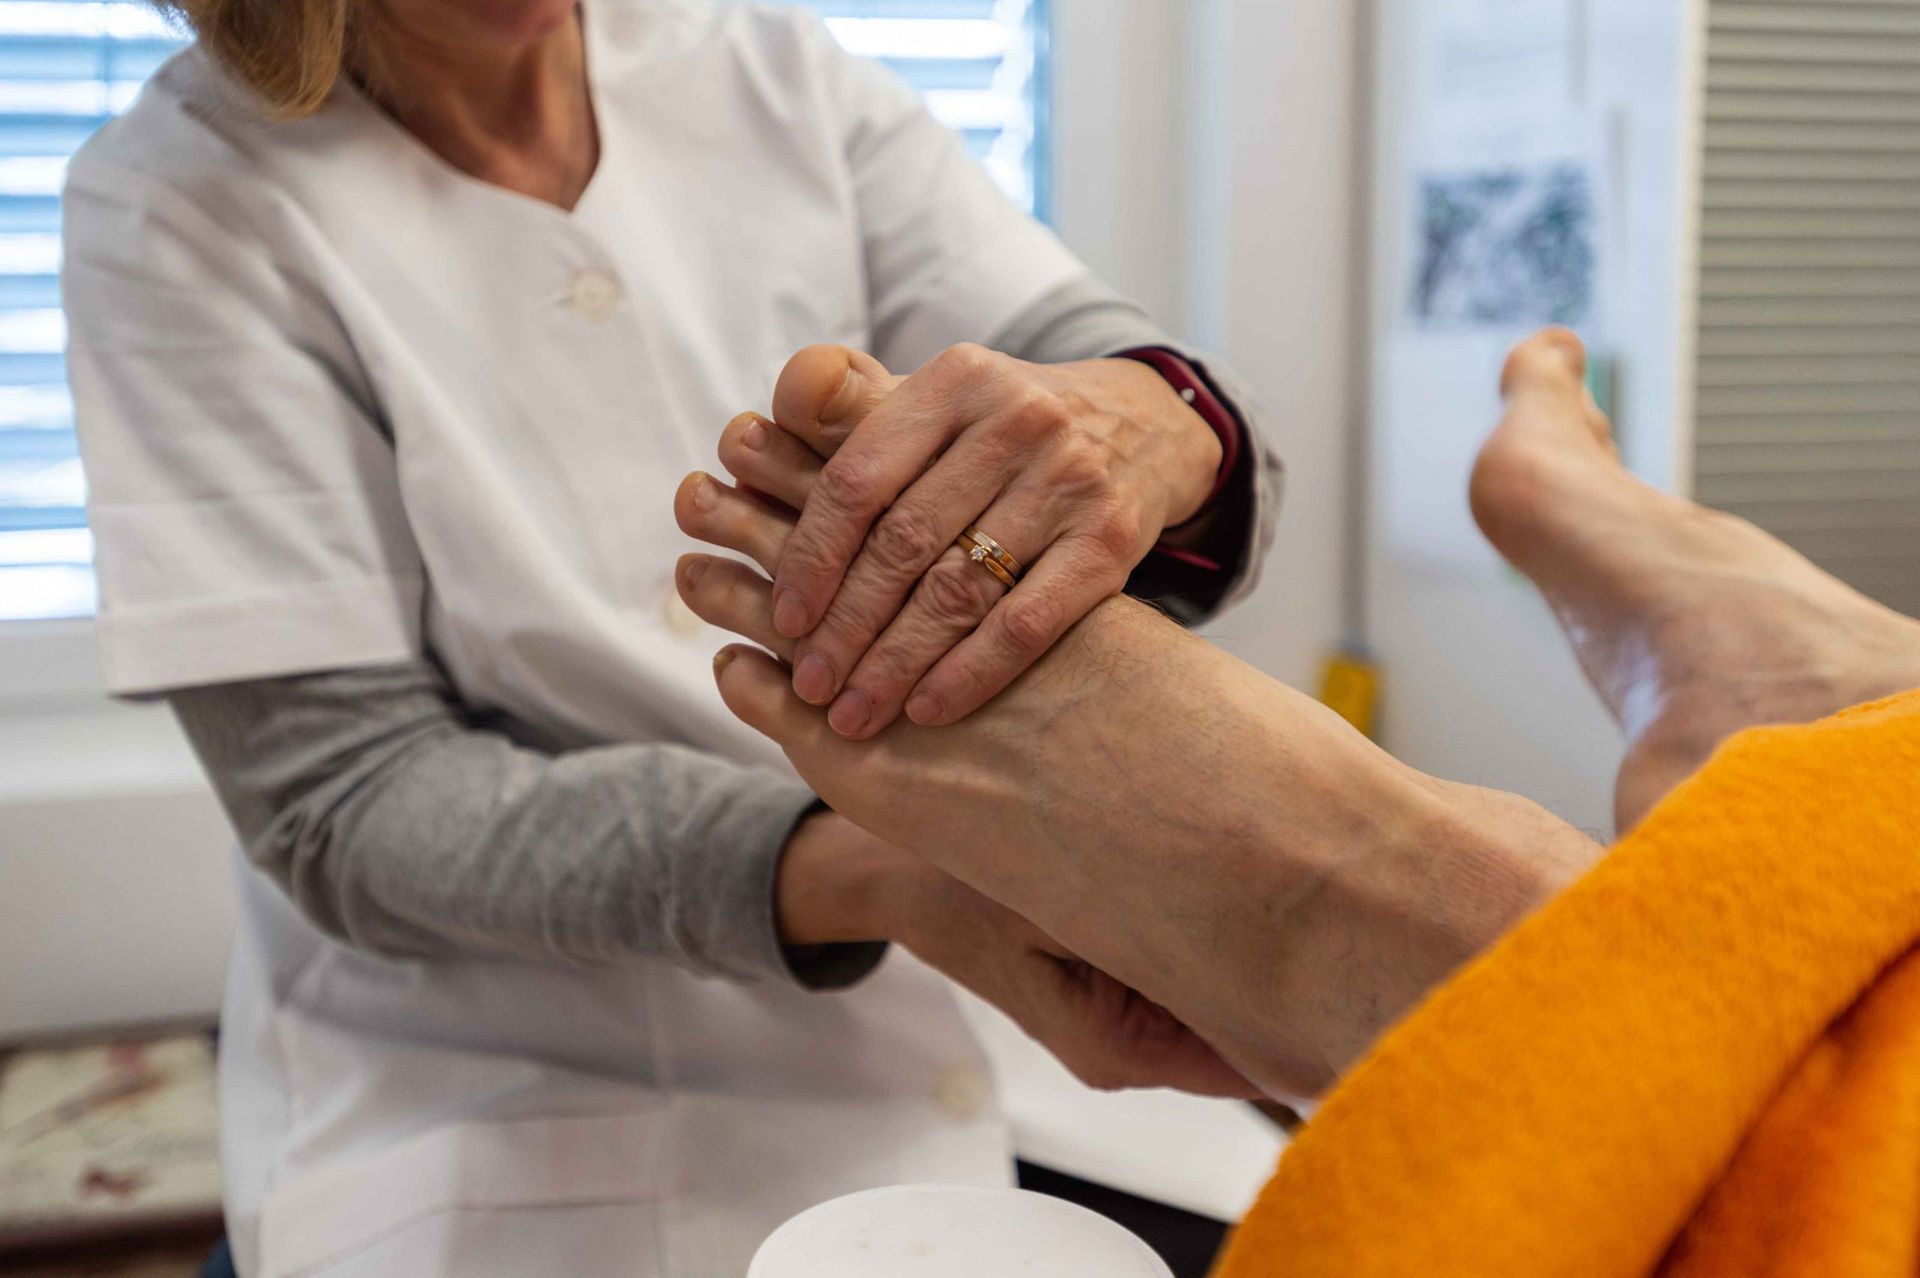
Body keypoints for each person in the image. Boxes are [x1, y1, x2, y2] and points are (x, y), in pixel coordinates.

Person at [62, 0, 1281, 1273]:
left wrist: (1154, 421)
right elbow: (349, 804)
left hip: (960, 1050)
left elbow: (1090, 363)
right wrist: (902, 881)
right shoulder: (179, 202)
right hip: (494, 1113)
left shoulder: (772, 75)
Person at [683, 328, 1920, 1267]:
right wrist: (871, 873)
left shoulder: (795, 79)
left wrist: (1159, 409)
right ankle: (1837, 703)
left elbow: (1097, 334)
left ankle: (1426, 912)